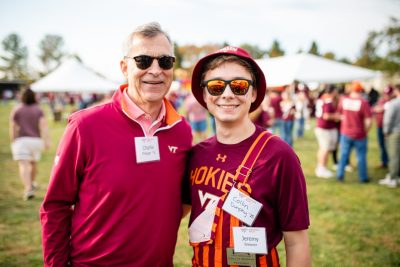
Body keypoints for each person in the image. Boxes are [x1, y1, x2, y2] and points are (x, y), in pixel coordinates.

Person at [40, 22, 193, 266]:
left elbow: (180, 200)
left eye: (165, 61)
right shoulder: (84, 126)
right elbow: (56, 205)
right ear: (124, 67)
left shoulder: (181, 131)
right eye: (143, 60)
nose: (156, 70)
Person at [187, 46, 311, 267]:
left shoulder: (279, 156)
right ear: (205, 95)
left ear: (253, 93)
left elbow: (297, 242)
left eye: (239, 86)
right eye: (216, 87)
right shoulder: (196, 155)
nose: (227, 94)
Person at [9, 88, 50, 200]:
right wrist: (47, 141)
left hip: (21, 140)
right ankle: (31, 183)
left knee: (23, 164)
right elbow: (43, 127)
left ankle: (28, 188)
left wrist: (13, 139)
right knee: (33, 164)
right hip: (36, 141)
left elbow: (13, 126)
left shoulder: (17, 109)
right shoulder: (38, 110)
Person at [336, 81, 372, 183]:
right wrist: (366, 131)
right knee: (361, 157)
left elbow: (339, 115)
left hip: (345, 132)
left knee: (343, 155)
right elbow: (369, 121)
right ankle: (363, 178)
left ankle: (340, 175)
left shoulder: (344, 100)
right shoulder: (363, 102)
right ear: (360, 90)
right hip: (360, 134)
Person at [314, 85, 339, 178]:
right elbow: (326, 116)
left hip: (322, 127)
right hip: (325, 128)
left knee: (323, 149)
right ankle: (321, 168)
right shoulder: (328, 101)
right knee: (324, 149)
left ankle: (320, 167)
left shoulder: (322, 99)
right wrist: (337, 116)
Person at [379, 84, 400, 188]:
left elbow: (388, 120)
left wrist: (386, 132)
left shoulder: (394, 104)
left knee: (393, 156)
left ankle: (392, 178)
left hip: (394, 133)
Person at [372, 85, 394, 169]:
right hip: (380, 126)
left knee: (389, 146)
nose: (387, 96)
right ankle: (384, 161)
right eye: (385, 94)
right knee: (382, 145)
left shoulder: (393, 102)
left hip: (389, 128)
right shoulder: (382, 100)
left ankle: (391, 162)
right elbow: (375, 109)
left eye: (388, 94)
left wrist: (381, 108)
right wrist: (381, 108)